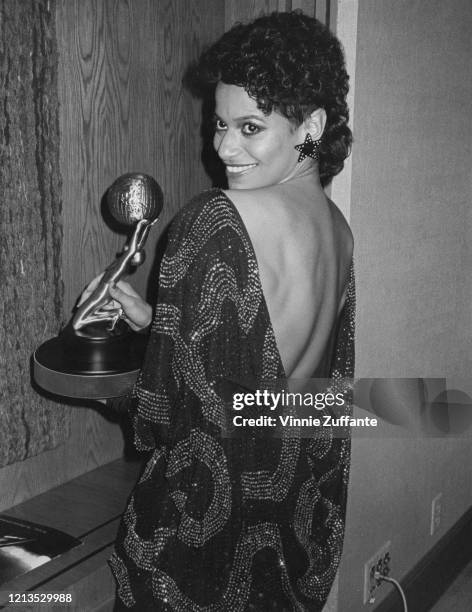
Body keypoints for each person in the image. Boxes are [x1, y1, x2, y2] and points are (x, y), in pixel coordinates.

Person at [95, 11, 355, 611]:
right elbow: (277, 392)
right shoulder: (339, 231)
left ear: (310, 127)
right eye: (219, 123)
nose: (223, 148)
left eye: (250, 127)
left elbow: (163, 419)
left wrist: (106, 373)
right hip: (282, 519)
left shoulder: (217, 221)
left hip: (206, 540)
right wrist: (161, 322)